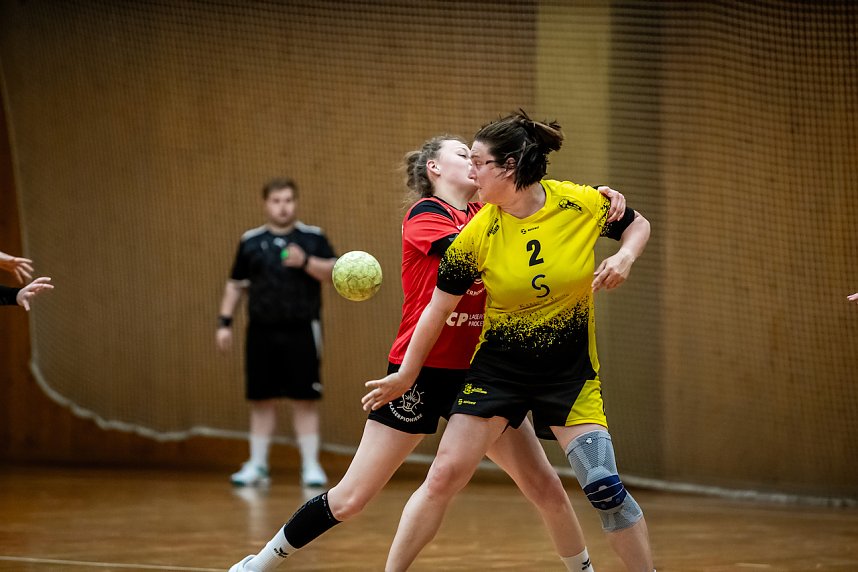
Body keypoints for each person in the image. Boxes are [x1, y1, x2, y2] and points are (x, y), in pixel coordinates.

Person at [228, 136, 627, 572]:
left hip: (481, 376)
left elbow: (535, 217)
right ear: (434, 169)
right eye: (462, 155)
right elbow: (470, 254)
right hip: (416, 374)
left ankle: (582, 569)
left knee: (545, 486)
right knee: (352, 498)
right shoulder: (426, 215)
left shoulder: (490, 214)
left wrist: (596, 204)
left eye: (479, 159)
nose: (474, 164)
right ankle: (260, 563)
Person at [362, 111, 655, 571]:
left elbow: (638, 224)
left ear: (511, 167)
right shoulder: (477, 233)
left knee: (604, 490)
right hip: (498, 373)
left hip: (569, 376)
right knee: (442, 475)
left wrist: (625, 256)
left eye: (479, 163)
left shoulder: (578, 204)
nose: (472, 172)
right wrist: (406, 374)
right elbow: (436, 310)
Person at [217, 178, 337, 488]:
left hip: (302, 329)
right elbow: (236, 284)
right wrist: (224, 322)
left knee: (304, 399)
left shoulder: (313, 238)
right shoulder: (251, 242)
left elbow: (334, 272)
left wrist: (306, 261)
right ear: (266, 204)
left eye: (287, 200)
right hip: (261, 331)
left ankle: (310, 466)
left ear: (295, 202)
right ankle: (257, 465)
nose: (282, 206)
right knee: (261, 400)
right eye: (276, 201)